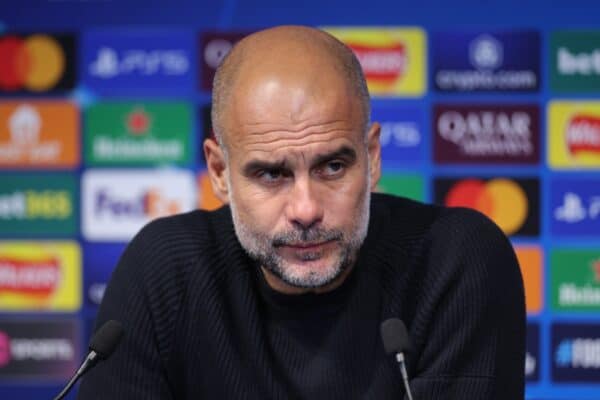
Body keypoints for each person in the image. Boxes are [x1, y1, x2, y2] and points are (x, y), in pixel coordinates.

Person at [78, 25, 525, 399]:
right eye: (271, 175)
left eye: (333, 167)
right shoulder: (165, 271)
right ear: (219, 172)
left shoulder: (456, 260)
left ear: (371, 157)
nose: (306, 210)